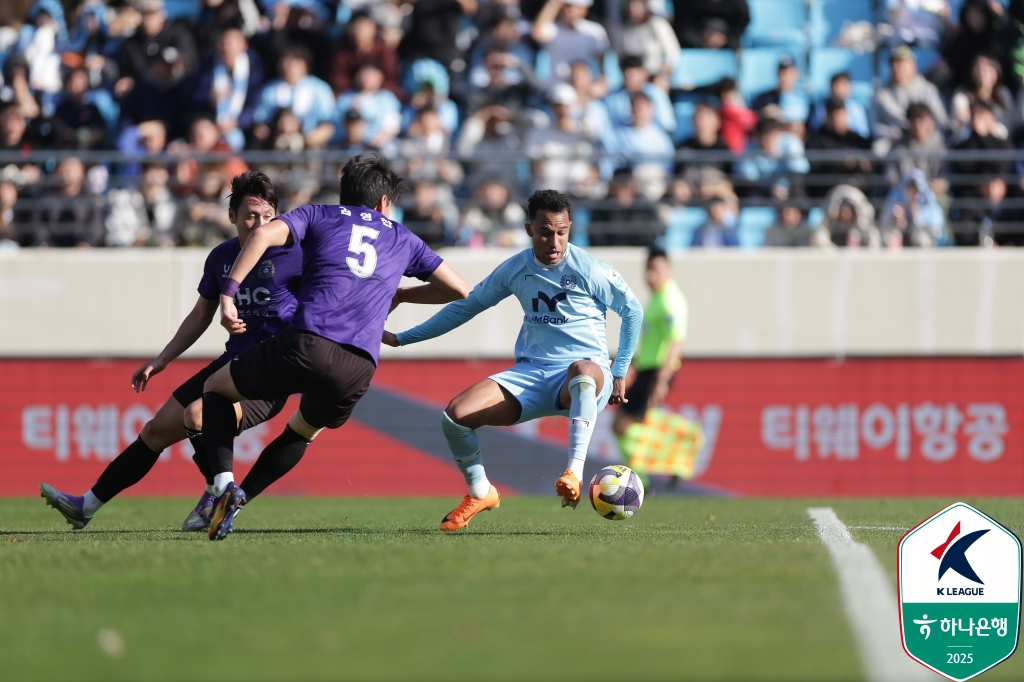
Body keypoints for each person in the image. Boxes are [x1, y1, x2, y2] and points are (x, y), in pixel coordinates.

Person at [199, 156, 470, 540]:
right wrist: (403, 294)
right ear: (382, 203)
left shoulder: (319, 214)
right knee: (303, 431)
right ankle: (241, 499)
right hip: (359, 365)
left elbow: (261, 236)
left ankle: (225, 485)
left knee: (214, 388)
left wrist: (228, 294)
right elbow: (458, 289)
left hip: (308, 341)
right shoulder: (402, 236)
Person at [40, 171, 301, 532]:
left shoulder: (295, 254)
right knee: (154, 431)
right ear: (232, 217)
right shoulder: (221, 257)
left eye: (268, 217)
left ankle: (216, 495)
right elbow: (200, 315)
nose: (259, 224)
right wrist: (161, 360)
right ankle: (86, 505)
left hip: (271, 371)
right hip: (231, 364)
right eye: (251, 216)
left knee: (197, 416)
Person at [383, 189, 643, 530]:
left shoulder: (591, 269)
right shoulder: (515, 269)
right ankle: (480, 492)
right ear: (528, 229)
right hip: (533, 373)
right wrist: (403, 338)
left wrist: (619, 371)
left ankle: (573, 474)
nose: (554, 241)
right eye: (545, 232)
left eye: (562, 232)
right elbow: (466, 307)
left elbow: (633, 311)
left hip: (587, 373)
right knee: (455, 416)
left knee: (581, 371)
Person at [611, 248, 686, 452]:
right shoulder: (657, 298)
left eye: (655, 270)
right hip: (647, 369)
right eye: (648, 270)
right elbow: (653, 341)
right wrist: (635, 365)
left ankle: (679, 443)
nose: (650, 276)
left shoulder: (669, 300)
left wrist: (661, 380)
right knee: (624, 426)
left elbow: (676, 342)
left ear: (668, 271)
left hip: (657, 371)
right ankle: (645, 479)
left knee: (623, 426)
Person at [252, 45, 337, 149]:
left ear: (305, 65)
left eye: (295, 63)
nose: (289, 67)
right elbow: (260, 122)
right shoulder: (269, 90)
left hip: (310, 145)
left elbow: (329, 124)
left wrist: (308, 139)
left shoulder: (320, 89)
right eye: (285, 63)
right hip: (276, 145)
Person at [871, 46, 949, 141]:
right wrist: (893, 133)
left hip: (928, 142)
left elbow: (941, 120)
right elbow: (874, 126)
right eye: (893, 63)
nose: (897, 67)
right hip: (894, 143)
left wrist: (924, 131)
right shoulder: (880, 94)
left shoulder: (928, 90)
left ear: (913, 66)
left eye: (901, 63)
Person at [805, 97, 872, 197]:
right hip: (826, 194)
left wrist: (856, 164)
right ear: (826, 115)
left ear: (846, 114)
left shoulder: (859, 141)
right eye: (832, 114)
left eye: (839, 113)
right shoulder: (816, 140)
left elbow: (869, 168)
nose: (836, 118)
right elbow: (815, 170)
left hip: (856, 193)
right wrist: (839, 163)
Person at [532, 0, 610, 83]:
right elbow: (537, 34)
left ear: (585, 10)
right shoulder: (553, 29)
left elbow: (603, 62)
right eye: (567, 6)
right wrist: (553, 4)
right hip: (558, 86)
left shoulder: (595, 31)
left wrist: (600, 82)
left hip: (586, 86)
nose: (570, 11)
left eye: (575, 7)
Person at [751, 55, 809, 131]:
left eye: (789, 73)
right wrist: (763, 114)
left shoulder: (805, 99)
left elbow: (808, 128)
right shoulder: (763, 100)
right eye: (781, 73)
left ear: (797, 74)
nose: (784, 77)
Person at [807, 72, 870, 139]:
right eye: (837, 85)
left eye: (844, 85)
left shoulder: (857, 108)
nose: (840, 89)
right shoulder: (820, 107)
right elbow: (813, 130)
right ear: (830, 87)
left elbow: (863, 134)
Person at [674, 0, 750, 49]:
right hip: (693, 43)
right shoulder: (686, 2)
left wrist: (724, 39)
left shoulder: (738, 4)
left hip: (728, 44)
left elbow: (741, 24)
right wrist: (702, 38)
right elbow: (683, 23)